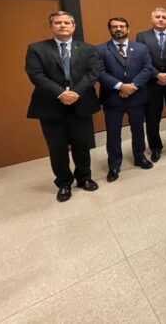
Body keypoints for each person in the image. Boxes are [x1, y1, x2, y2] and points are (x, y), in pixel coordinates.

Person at [25, 11, 101, 202]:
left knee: (82, 145)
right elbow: (36, 75)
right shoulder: (37, 49)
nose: (62, 25)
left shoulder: (88, 49)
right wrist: (61, 93)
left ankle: (84, 178)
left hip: (80, 103)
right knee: (57, 147)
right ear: (51, 26)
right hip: (51, 105)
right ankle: (64, 183)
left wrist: (76, 93)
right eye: (57, 23)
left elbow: (93, 73)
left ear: (73, 26)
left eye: (67, 22)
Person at [96, 17, 156, 182]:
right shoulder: (101, 49)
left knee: (138, 130)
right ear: (110, 30)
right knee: (113, 133)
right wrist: (120, 86)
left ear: (128, 29)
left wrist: (132, 86)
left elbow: (147, 68)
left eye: (122, 26)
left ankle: (140, 157)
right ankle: (114, 165)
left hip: (136, 97)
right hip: (112, 99)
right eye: (114, 27)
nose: (118, 29)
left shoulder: (141, 48)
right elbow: (99, 73)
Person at [136, 7, 166, 162]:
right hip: (152, 83)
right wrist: (157, 75)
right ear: (152, 19)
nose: (161, 19)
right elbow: (142, 60)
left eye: (164, 17)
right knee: (152, 117)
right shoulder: (142, 36)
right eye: (158, 16)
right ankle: (155, 148)